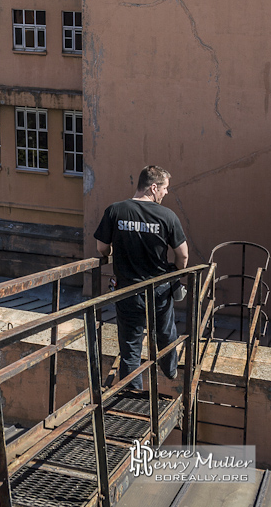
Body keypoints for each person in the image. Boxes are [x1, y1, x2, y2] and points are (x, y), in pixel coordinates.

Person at [94, 165, 188, 389]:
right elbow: (183, 254)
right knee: (165, 333)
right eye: (164, 188)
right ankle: (170, 369)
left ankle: (132, 393)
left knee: (130, 345)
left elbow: (101, 248)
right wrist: (177, 272)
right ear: (153, 187)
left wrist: (111, 254)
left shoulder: (115, 210)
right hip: (159, 289)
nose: (166, 193)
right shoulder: (167, 216)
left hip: (127, 290)